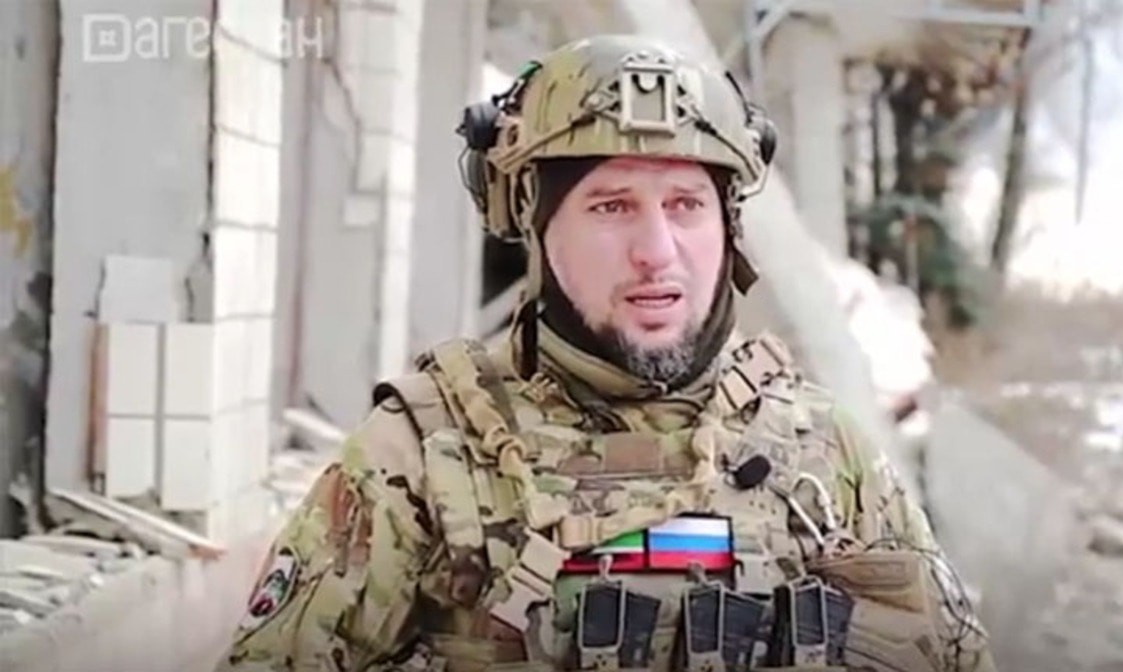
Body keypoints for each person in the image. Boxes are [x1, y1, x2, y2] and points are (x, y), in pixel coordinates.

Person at [216, 34, 996, 672]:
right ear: (534, 224)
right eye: (612, 205)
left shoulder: (826, 453)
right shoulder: (422, 454)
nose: (657, 250)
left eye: (686, 205)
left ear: (728, 226)